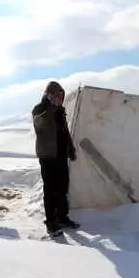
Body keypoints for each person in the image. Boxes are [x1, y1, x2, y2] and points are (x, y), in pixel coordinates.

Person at [32, 81, 80, 236]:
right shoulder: (39, 109)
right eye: (57, 96)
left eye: (61, 96)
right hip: (48, 155)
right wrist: (52, 107)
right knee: (50, 189)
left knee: (62, 187)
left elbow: (65, 132)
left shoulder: (60, 111)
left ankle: (62, 217)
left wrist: (71, 149)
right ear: (49, 95)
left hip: (60, 155)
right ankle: (51, 222)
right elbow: (41, 124)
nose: (60, 99)